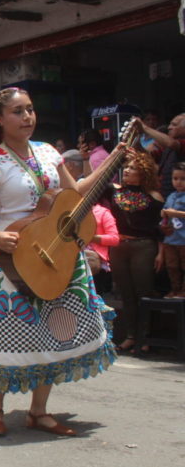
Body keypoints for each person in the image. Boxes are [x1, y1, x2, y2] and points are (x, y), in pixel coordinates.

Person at [0, 87, 120, 437]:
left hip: (58, 253)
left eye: (30, 110)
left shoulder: (48, 151)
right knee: (15, 336)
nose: (27, 117)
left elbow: (75, 194)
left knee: (58, 329)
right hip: (14, 258)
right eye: (17, 112)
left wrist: (114, 158)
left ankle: (38, 411)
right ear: (0, 119)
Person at [104, 147, 163, 353]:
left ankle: (145, 337)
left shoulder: (154, 196)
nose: (127, 171)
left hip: (143, 246)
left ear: (144, 173)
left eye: (133, 168)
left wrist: (161, 252)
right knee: (125, 294)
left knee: (143, 291)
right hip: (119, 247)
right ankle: (130, 336)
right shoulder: (115, 191)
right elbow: (96, 180)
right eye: (126, 167)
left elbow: (161, 229)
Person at [138, 113, 185, 198]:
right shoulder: (168, 149)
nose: (169, 127)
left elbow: (171, 143)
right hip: (168, 196)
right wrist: (136, 142)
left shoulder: (175, 144)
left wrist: (144, 127)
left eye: (174, 125)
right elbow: (148, 156)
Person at [158, 162, 185, 297]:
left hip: (183, 240)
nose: (179, 182)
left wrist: (177, 214)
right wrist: (164, 216)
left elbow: (175, 213)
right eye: (175, 178)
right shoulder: (171, 196)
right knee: (172, 267)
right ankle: (175, 289)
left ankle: (183, 291)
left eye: (182, 179)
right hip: (170, 239)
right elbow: (165, 214)